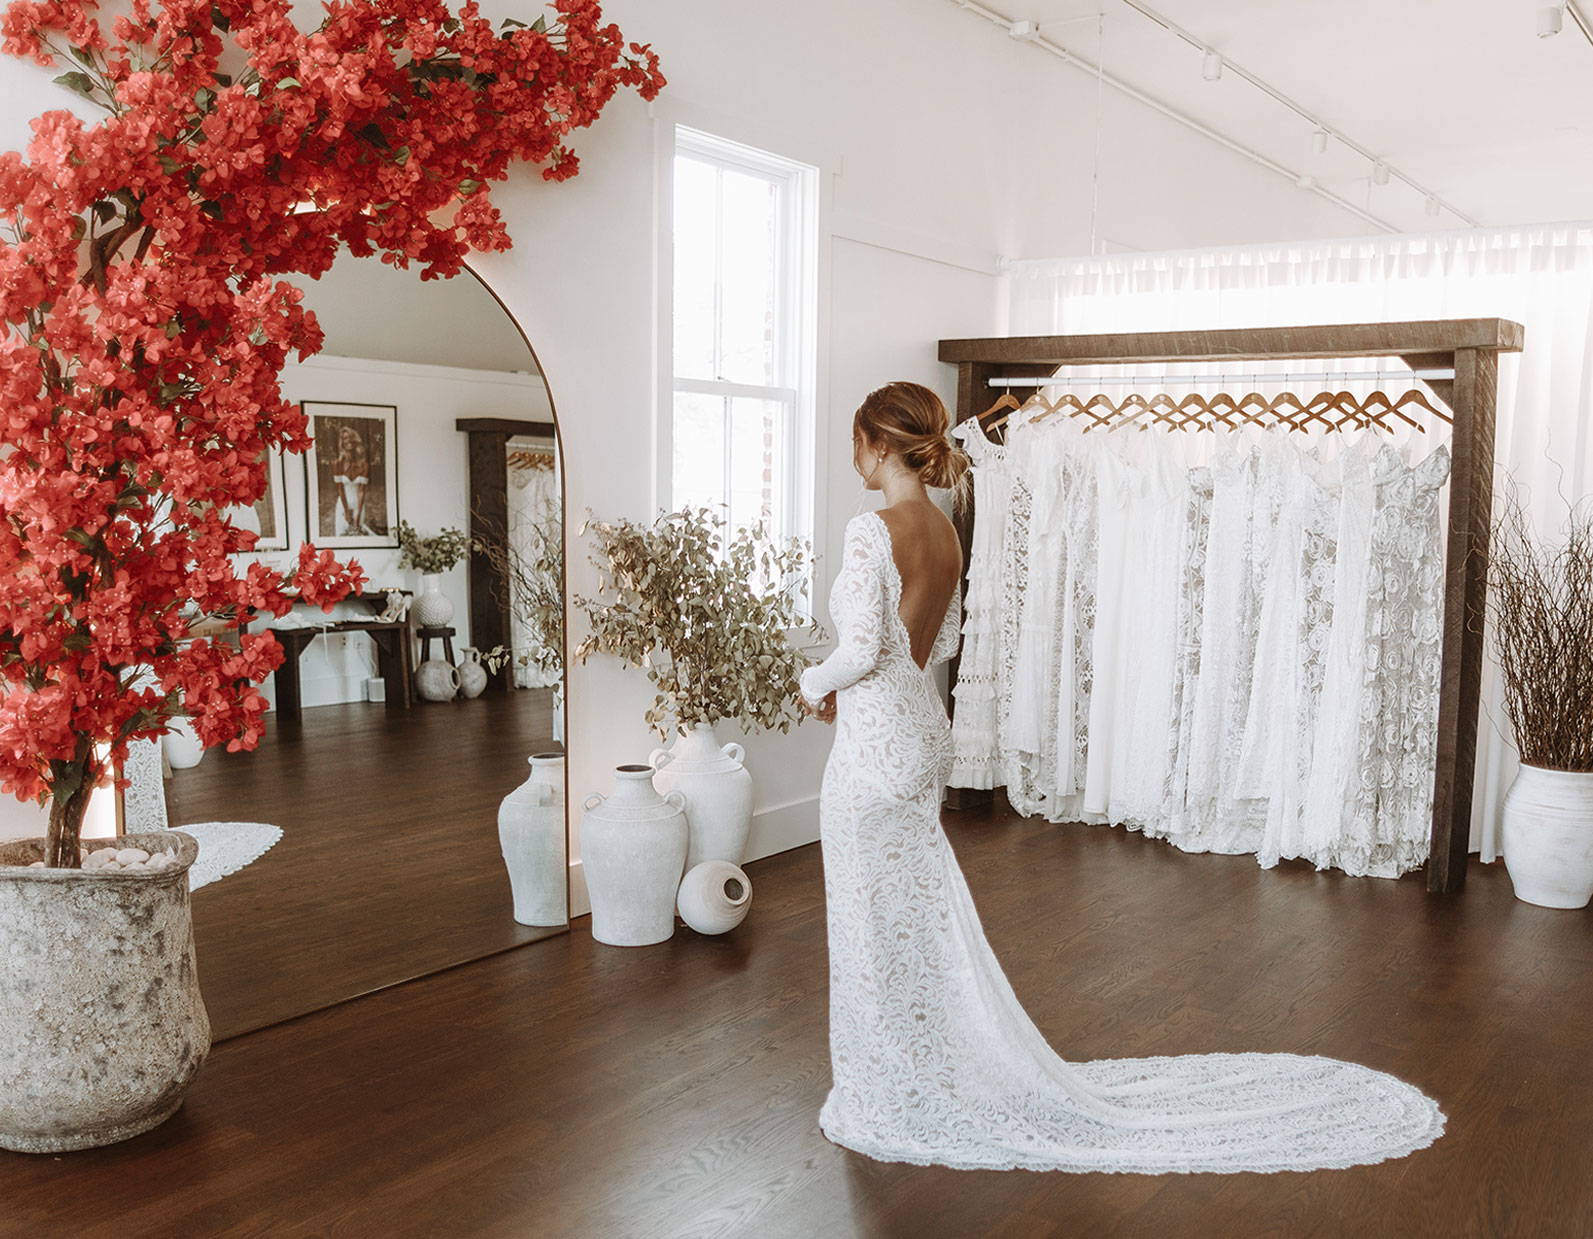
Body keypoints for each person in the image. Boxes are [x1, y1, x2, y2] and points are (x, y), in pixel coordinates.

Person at [796, 380, 1444, 1173]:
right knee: (911, 915)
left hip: (872, 748)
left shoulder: (872, 531)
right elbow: (925, 647)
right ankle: (919, 1064)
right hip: (917, 735)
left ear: (876, 442)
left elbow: (863, 651)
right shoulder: (943, 530)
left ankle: (886, 1081)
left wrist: (812, 683)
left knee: (868, 921)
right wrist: (856, 685)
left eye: (853, 440)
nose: (850, 455)